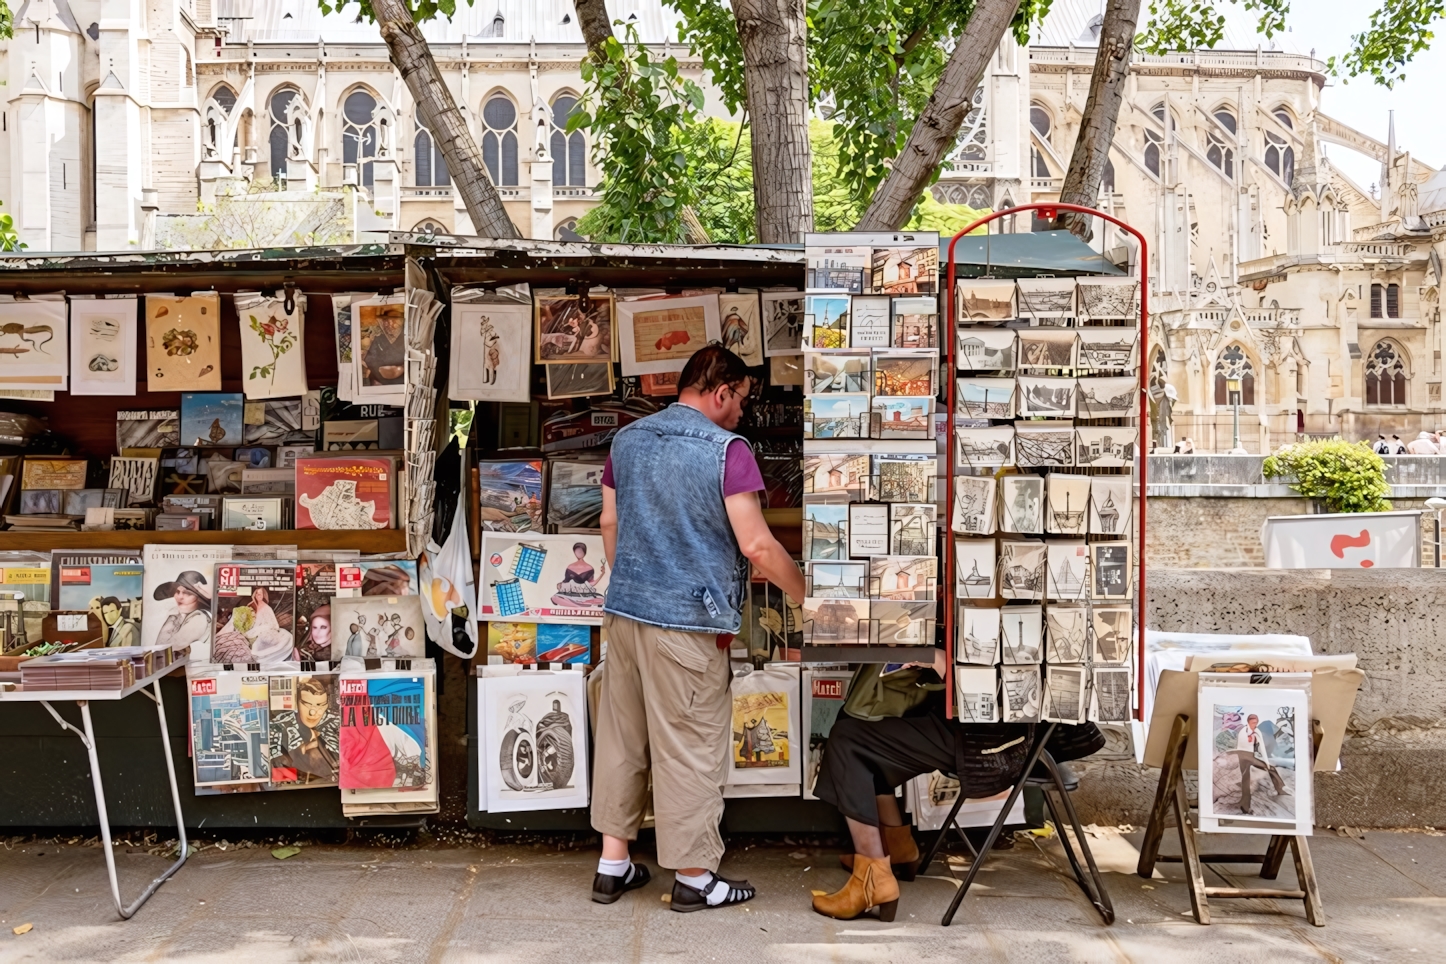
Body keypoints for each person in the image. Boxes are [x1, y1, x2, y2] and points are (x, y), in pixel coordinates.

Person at [591, 345, 808, 912]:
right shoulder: (728, 451)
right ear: (720, 393)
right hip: (686, 625)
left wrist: (636, 582)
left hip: (625, 613)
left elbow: (608, 522)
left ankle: (612, 865)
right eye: (740, 400)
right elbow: (757, 545)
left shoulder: (627, 440)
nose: (743, 413)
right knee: (688, 746)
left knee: (621, 738)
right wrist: (809, 596)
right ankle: (694, 877)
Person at [807, 665, 1105, 921]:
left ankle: (872, 880)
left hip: (986, 739)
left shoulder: (1004, 613)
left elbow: (995, 679)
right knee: (856, 724)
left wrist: (937, 659)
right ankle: (897, 847)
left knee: (848, 739)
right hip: (973, 724)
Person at [269, 676, 341, 784]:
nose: (313, 712)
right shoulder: (278, 726)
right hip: (296, 789)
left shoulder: (338, 721)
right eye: (307, 705)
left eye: (321, 706)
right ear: (297, 703)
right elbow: (277, 771)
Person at [1232, 714, 1287, 813]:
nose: (1255, 724)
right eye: (1253, 723)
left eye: (1256, 723)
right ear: (1248, 722)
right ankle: (1245, 807)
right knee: (1246, 780)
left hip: (1251, 756)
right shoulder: (1243, 731)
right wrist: (1251, 737)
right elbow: (1242, 747)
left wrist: (1266, 762)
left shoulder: (1257, 731)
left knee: (1271, 768)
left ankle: (1280, 789)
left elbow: (1261, 747)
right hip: (1243, 755)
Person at [153, 570, 212, 650]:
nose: (179, 597)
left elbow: (163, 649)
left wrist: (173, 618)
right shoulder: (179, 615)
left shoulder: (199, 618)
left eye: (187, 593)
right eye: (177, 591)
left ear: (198, 597)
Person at [362, 303, 405, 386]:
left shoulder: (408, 338)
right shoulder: (379, 338)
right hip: (379, 378)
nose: (390, 324)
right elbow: (370, 359)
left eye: (394, 320)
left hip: (401, 381)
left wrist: (401, 368)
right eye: (387, 321)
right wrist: (379, 370)